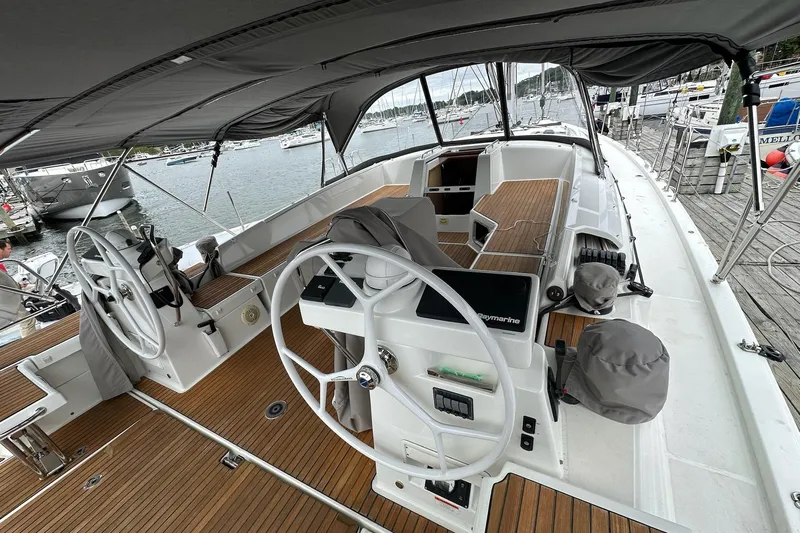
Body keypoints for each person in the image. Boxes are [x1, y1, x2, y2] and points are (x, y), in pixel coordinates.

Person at [0, 239, 35, 337]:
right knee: (27, 320)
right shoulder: (0, 267)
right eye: (8, 249)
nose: (10, 251)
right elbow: (6, 286)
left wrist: (18, 285)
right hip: (6, 300)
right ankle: (30, 343)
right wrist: (18, 286)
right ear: (0, 249)